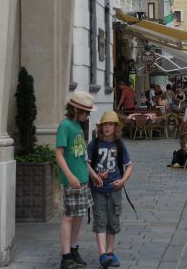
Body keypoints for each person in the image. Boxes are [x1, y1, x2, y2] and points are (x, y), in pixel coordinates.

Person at [55, 92, 101, 269]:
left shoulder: (78, 127)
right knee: (68, 216)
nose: (87, 115)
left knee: (79, 215)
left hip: (82, 178)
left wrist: (93, 174)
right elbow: (59, 155)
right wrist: (69, 176)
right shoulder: (65, 126)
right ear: (75, 109)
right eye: (85, 112)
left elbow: (82, 157)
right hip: (72, 180)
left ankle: (74, 250)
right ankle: (66, 257)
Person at [88, 111, 133, 269]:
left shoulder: (120, 145)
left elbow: (129, 166)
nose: (107, 127)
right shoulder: (94, 144)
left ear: (115, 127)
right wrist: (95, 175)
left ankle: (109, 252)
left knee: (113, 221)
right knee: (100, 220)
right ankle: (102, 255)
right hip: (98, 189)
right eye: (104, 125)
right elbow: (86, 163)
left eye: (110, 125)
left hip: (115, 190)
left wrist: (123, 180)